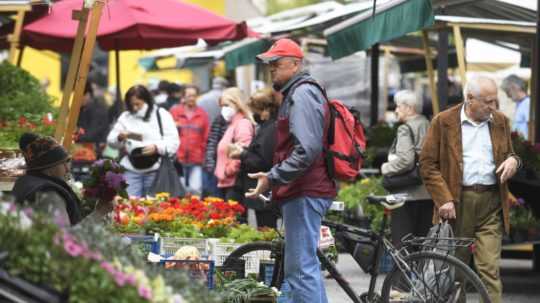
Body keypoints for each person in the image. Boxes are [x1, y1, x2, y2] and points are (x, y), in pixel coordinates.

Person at [245, 38, 336, 303]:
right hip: (304, 189)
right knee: (302, 269)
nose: (271, 68)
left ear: (295, 64)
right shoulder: (297, 92)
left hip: (305, 191)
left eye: (277, 63)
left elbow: (306, 150)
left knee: (300, 270)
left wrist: (272, 176)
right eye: (270, 64)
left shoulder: (302, 93)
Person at [420, 76, 521, 303]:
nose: (493, 107)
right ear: (470, 99)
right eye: (488, 102)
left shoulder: (501, 121)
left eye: (496, 101)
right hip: (457, 202)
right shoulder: (443, 121)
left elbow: (510, 154)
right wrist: (443, 198)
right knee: (456, 271)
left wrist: (514, 161)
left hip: (491, 202)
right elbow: (427, 164)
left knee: (490, 269)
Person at [12, 133, 111, 226]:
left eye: (67, 162)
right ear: (49, 167)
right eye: (62, 163)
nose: (67, 168)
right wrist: (98, 213)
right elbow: (63, 240)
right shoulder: (49, 194)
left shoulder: (25, 181)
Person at [380, 90, 433, 248]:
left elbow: (405, 161)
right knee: (421, 244)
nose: (395, 110)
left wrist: (386, 168)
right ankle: (418, 273)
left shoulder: (405, 129)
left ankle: (402, 274)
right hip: (427, 193)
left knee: (403, 245)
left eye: (398, 107)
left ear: (409, 108)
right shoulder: (428, 124)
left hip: (406, 195)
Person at [107, 85, 179, 197]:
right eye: (132, 105)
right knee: (129, 206)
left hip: (156, 170)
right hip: (131, 169)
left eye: (138, 104)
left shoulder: (161, 114)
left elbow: (173, 141)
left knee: (154, 207)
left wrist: (156, 147)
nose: (135, 108)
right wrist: (119, 137)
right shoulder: (125, 117)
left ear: (147, 101)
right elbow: (111, 141)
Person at [230, 89, 281, 228]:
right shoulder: (267, 127)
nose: (253, 114)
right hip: (262, 188)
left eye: (255, 111)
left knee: (266, 228)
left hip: (265, 187)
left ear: (264, 110)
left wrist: (242, 154)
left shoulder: (270, 129)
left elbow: (263, 160)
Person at [214, 87, 254, 201]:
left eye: (226, 105)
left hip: (234, 183)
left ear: (237, 104)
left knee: (235, 217)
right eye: (221, 106)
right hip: (227, 182)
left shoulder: (242, 124)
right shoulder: (232, 124)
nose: (223, 109)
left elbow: (243, 151)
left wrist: (229, 171)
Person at [169, 84, 209, 196]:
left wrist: (203, 153)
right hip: (178, 159)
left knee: (195, 189)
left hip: (196, 158)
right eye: (189, 95)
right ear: (183, 97)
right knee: (178, 191)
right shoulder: (175, 112)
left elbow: (206, 137)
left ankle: (194, 212)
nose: (192, 98)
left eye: (194, 96)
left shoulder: (202, 114)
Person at [76, 82, 110, 156]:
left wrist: (75, 137)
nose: (77, 100)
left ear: (87, 95)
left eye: (79, 96)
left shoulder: (97, 110)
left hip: (97, 150)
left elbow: (91, 134)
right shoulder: (83, 109)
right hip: (86, 148)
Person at [203, 106, 228, 198]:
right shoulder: (220, 119)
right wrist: (210, 164)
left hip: (230, 169)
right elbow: (212, 141)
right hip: (217, 167)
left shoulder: (242, 121)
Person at [501, 74, 530, 139]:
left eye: (507, 91)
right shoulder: (520, 103)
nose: (508, 96)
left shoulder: (527, 103)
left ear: (514, 87)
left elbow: (531, 127)